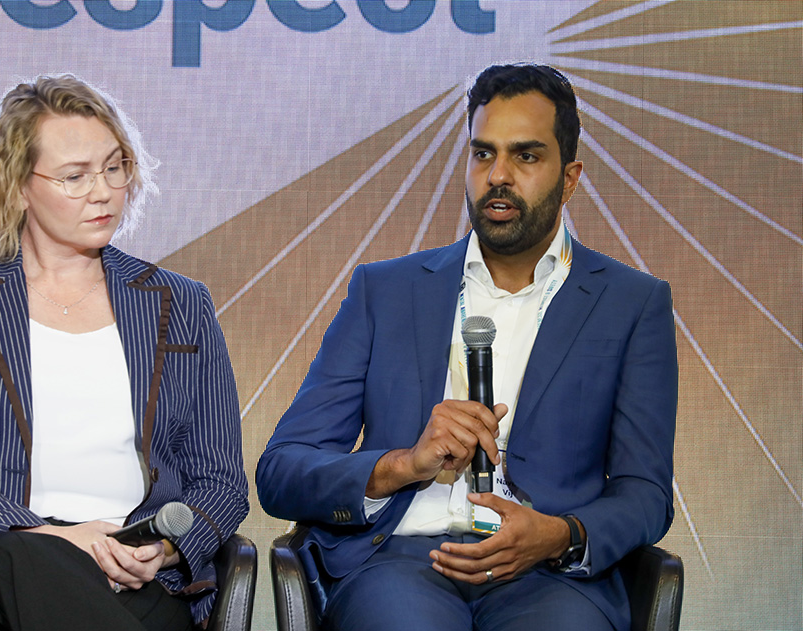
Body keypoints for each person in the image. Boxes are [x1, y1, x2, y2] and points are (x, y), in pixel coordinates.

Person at [257, 63, 677, 631]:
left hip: (549, 575)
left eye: (526, 156)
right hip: (399, 563)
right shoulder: (385, 290)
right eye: (483, 154)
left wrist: (559, 534)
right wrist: (400, 465)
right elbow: (282, 470)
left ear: (570, 176)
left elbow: (645, 493)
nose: (498, 175)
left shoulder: (633, 302)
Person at [0, 75, 249, 630]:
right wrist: (55, 539)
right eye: (75, 176)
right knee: (30, 562)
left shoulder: (179, 303)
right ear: (16, 186)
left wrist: (157, 551)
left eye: (115, 167)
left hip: (133, 565)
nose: (104, 191)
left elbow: (220, 480)